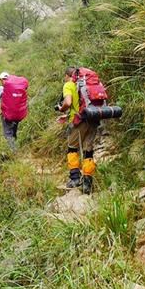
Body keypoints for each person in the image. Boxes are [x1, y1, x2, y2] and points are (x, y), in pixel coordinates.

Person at [57, 67, 97, 195]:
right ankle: (87, 182)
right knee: (88, 151)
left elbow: (68, 102)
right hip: (94, 117)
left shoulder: (69, 84)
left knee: (72, 149)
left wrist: (61, 109)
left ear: (67, 75)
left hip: (79, 121)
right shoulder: (86, 84)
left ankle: (75, 178)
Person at [0, 72, 28, 152]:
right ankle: (15, 144)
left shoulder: (2, 88)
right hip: (18, 114)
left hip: (7, 115)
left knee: (7, 133)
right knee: (14, 131)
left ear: (1, 79)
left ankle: (14, 151)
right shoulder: (17, 87)